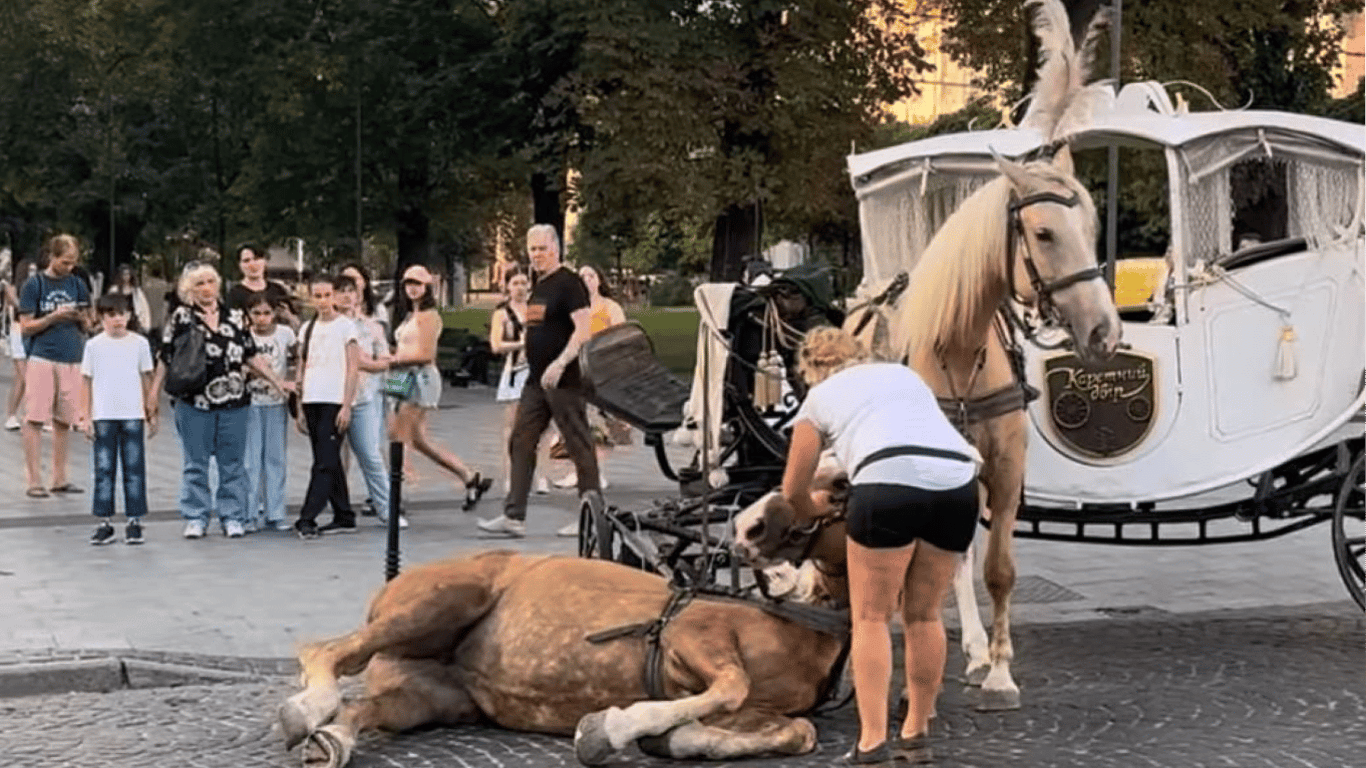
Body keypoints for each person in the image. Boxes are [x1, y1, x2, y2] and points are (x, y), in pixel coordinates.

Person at [781, 327, 979, 765]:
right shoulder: (903, 376)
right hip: (958, 480)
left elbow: (792, 488)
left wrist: (812, 511)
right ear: (858, 354)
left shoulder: (818, 399)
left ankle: (871, 741)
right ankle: (916, 732)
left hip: (887, 480)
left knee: (871, 617)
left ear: (810, 369)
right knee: (925, 614)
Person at [149, 263, 292, 539]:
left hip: (234, 400)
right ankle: (196, 515)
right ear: (190, 289)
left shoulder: (235, 317)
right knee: (195, 461)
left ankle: (232, 514)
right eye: (199, 283)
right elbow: (165, 357)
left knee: (233, 462)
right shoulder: (182, 317)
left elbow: (250, 354)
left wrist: (275, 380)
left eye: (210, 282)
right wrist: (153, 393)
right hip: (194, 400)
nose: (206, 288)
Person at [478, 224, 599, 538]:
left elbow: (583, 330)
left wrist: (560, 363)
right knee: (520, 438)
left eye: (542, 248)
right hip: (535, 379)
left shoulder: (569, 284)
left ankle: (590, 516)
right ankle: (513, 515)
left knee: (578, 443)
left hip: (564, 378)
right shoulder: (539, 285)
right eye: (532, 249)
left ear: (555, 249)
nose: (536, 255)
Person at [386, 264, 492, 512]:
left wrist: (392, 360)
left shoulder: (429, 316)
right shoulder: (409, 315)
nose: (412, 289)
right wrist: (387, 354)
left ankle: (396, 496)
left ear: (427, 288)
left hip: (418, 376)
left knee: (400, 436)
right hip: (400, 374)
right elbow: (404, 348)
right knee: (410, 437)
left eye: (417, 284)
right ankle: (468, 476)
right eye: (408, 284)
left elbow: (425, 354)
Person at [18, 234, 93, 499]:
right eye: (64, 262)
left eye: (72, 263)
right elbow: (25, 327)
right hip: (42, 356)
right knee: (35, 418)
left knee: (64, 420)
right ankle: (34, 480)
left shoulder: (77, 284)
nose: (68, 268)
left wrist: (81, 319)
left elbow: (89, 321)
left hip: (72, 356)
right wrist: (53, 317)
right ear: (51, 257)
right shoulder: (34, 284)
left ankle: (60, 478)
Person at [80, 293, 156, 545]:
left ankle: (134, 520)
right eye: (111, 314)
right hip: (103, 414)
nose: (118, 319)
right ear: (101, 317)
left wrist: (151, 411)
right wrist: (85, 415)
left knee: (134, 469)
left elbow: (147, 378)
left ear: (130, 316)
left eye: (122, 314)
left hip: (132, 413)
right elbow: (86, 381)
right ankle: (104, 522)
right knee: (104, 470)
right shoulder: (94, 346)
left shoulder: (139, 343)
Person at [333, 271, 404, 529]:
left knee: (370, 455)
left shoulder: (371, 326)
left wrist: (365, 363)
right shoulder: (326, 327)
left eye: (351, 290)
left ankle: (388, 509)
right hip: (333, 397)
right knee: (332, 458)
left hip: (364, 397)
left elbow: (385, 362)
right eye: (341, 291)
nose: (347, 296)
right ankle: (338, 511)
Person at [293, 275, 361, 538]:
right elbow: (301, 366)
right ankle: (344, 514)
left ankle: (307, 517)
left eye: (327, 295)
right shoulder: (307, 328)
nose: (322, 301)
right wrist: (299, 406)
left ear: (334, 296)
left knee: (324, 461)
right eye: (317, 296)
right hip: (312, 398)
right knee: (326, 459)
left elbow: (353, 367)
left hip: (335, 400)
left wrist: (347, 405)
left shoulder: (346, 327)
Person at [554, 263, 628, 490]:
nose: (586, 279)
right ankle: (578, 470)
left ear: (599, 280)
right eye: (582, 276)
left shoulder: (609, 307)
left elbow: (621, 337)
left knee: (601, 425)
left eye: (591, 275)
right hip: (575, 370)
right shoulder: (572, 308)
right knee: (576, 421)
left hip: (602, 370)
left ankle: (596, 471)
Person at [490, 266, 552, 496]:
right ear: (507, 286)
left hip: (537, 370)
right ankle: (510, 476)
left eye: (524, 283)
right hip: (515, 371)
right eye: (515, 283)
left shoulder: (535, 309)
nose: (520, 288)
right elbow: (496, 345)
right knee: (512, 427)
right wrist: (522, 344)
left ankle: (542, 476)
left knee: (543, 428)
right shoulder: (502, 313)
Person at [243, 292, 296, 532]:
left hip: (277, 402)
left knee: (276, 458)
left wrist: (293, 387)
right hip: (250, 402)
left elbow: (297, 362)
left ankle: (275, 512)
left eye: (266, 313)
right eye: (256, 313)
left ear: (274, 313)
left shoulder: (285, 335)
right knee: (251, 460)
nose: (262, 318)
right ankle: (250, 512)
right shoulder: (244, 336)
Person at [227, 243, 300, 330]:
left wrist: (289, 317)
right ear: (239, 265)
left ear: (265, 261)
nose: (252, 264)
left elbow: (297, 326)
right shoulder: (234, 294)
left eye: (257, 259)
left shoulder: (278, 290)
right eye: (246, 260)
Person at [4, 261, 38, 431]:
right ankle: (28, 414)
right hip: (18, 331)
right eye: (30, 269)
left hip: (33, 332)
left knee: (21, 379)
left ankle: (13, 415)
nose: (33, 272)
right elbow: (17, 306)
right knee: (25, 376)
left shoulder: (39, 286)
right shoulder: (14, 288)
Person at [105, 263, 151, 333]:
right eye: (124, 274)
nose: (126, 276)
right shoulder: (114, 290)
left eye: (128, 274)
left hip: (133, 323)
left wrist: (146, 325)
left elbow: (145, 309)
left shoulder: (137, 292)